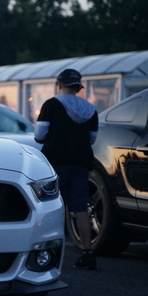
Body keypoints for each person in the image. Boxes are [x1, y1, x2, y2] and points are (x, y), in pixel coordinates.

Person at [34, 69, 99, 269]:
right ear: (78, 87)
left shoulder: (51, 105)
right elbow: (92, 139)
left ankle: (43, 250)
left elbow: (40, 135)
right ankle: (87, 252)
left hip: (56, 162)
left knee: (49, 205)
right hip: (80, 162)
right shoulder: (90, 109)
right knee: (80, 208)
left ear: (59, 84)